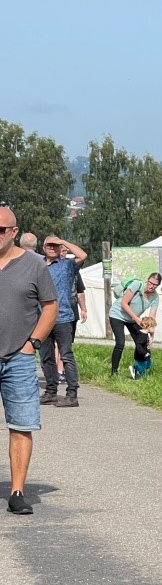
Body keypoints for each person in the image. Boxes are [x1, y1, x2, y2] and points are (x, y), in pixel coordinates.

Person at [0, 207, 58, 515]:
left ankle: (18, 491)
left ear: (14, 231)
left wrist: (32, 343)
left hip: (17, 359)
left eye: (1, 229)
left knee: (21, 425)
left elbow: (50, 306)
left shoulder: (34, 265)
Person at [37, 235, 88, 407]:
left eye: (55, 245)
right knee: (46, 357)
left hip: (63, 316)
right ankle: (51, 391)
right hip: (41, 317)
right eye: (49, 245)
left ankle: (72, 394)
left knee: (66, 355)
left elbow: (83, 256)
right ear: (43, 247)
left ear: (60, 249)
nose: (52, 247)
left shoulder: (67, 265)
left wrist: (63, 242)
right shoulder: (37, 265)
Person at [107, 272, 160, 378]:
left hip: (133, 320)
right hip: (117, 315)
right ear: (147, 280)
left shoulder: (155, 297)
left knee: (142, 342)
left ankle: (136, 370)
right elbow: (123, 303)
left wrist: (151, 336)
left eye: (155, 285)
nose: (151, 286)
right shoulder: (137, 285)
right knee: (120, 343)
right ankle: (114, 373)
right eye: (150, 283)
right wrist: (136, 318)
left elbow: (151, 319)